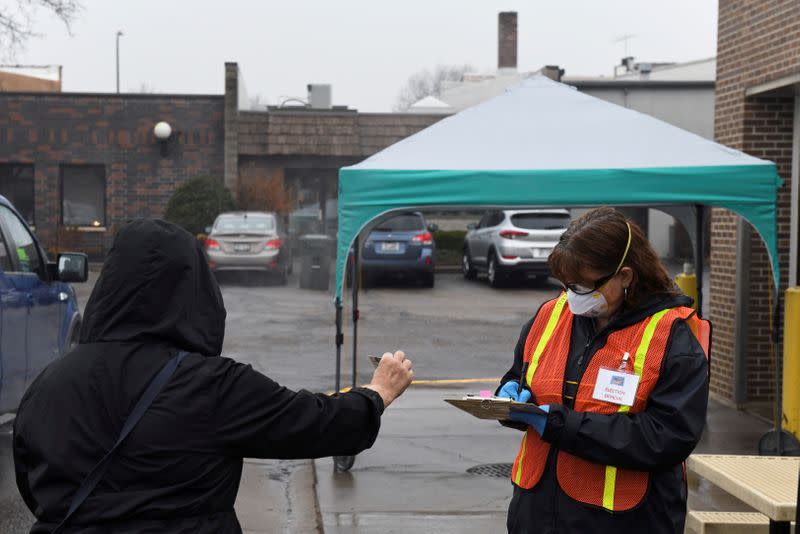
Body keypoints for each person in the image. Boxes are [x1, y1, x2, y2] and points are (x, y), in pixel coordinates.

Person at [13, 219, 413, 534]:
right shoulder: (211, 385)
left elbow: (32, 484)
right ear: (194, 290)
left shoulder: (48, 385)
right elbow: (315, 422)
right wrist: (377, 392)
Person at [497, 207, 710, 534]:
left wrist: (561, 425)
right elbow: (520, 374)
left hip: (623, 521)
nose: (571, 296)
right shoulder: (551, 315)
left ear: (625, 276)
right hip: (536, 516)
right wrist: (509, 397)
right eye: (566, 284)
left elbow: (668, 436)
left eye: (582, 286)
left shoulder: (671, 335)